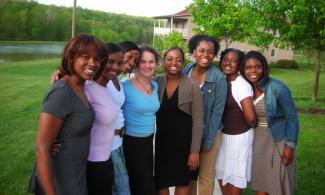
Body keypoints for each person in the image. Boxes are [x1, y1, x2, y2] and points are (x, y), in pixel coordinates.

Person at [35, 33, 107, 195]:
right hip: (60, 178)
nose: (92, 63)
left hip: (76, 173)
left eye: (97, 58)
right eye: (85, 57)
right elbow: (41, 148)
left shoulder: (82, 86)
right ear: (71, 57)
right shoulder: (61, 92)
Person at [240, 51, 299, 195]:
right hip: (259, 141)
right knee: (261, 184)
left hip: (278, 139)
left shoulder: (277, 87)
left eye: (257, 67)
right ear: (243, 70)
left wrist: (290, 146)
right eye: (248, 67)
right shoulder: (245, 88)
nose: (253, 71)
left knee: (277, 183)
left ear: (264, 68)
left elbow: (292, 117)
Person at [155, 46, 203, 195]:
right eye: (169, 59)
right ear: (164, 62)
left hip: (184, 145)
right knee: (160, 182)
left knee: (182, 182)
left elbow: (198, 121)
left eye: (178, 59)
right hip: (162, 144)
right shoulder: (156, 82)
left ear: (183, 63)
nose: (174, 62)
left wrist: (194, 151)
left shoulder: (193, 86)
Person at [182, 35, 227, 195]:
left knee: (206, 176)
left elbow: (217, 112)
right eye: (201, 50)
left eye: (210, 52)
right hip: (189, 133)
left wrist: (208, 141)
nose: (206, 55)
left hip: (210, 133)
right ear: (194, 52)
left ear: (214, 55)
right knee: (190, 175)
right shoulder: (186, 70)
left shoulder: (218, 78)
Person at [215, 48, 256, 195]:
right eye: (226, 59)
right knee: (222, 174)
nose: (228, 63)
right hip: (225, 137)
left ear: (239, 65)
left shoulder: (241, 85)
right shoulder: (222, 81)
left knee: (234, 179)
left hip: (239, 139)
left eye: (233, 61)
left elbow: (251, 117)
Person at [122, 46, 160, 195]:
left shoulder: (156, 85)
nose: (147, 65)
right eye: (143, 62)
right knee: (144, 186)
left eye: (151, 62)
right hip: (132, 143)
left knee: (143, 183)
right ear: (137, 64)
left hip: (149, 142)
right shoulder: (125, 87)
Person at [105, 43, 131, 195]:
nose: (115, 66)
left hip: (120, 141)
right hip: (108, 143)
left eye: (119, 63)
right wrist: (60, 72)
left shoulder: (119, 80)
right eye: (111, 61)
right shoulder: (97, 81)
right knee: (121, 188)